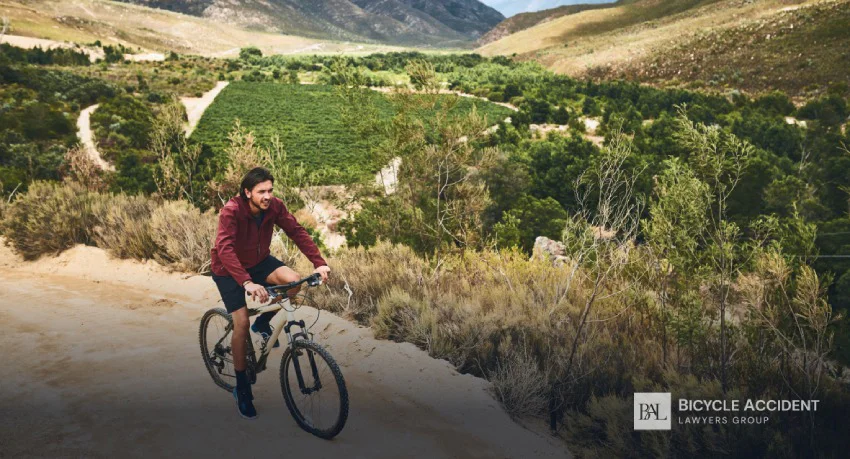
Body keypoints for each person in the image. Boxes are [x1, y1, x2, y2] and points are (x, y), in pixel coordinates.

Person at [210, 167, 330, 420]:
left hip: (259, 261)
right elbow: (224, 248)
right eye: (261, 191)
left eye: (270, 190)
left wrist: (318, 262)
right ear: (247, 192)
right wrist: (247, 283)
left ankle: (263, 322)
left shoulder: (274, 207)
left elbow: (296, 232)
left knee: (294, 281)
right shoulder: (231, 211)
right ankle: (242, 387)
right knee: (241, 323)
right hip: (228, 268)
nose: (267, 196)